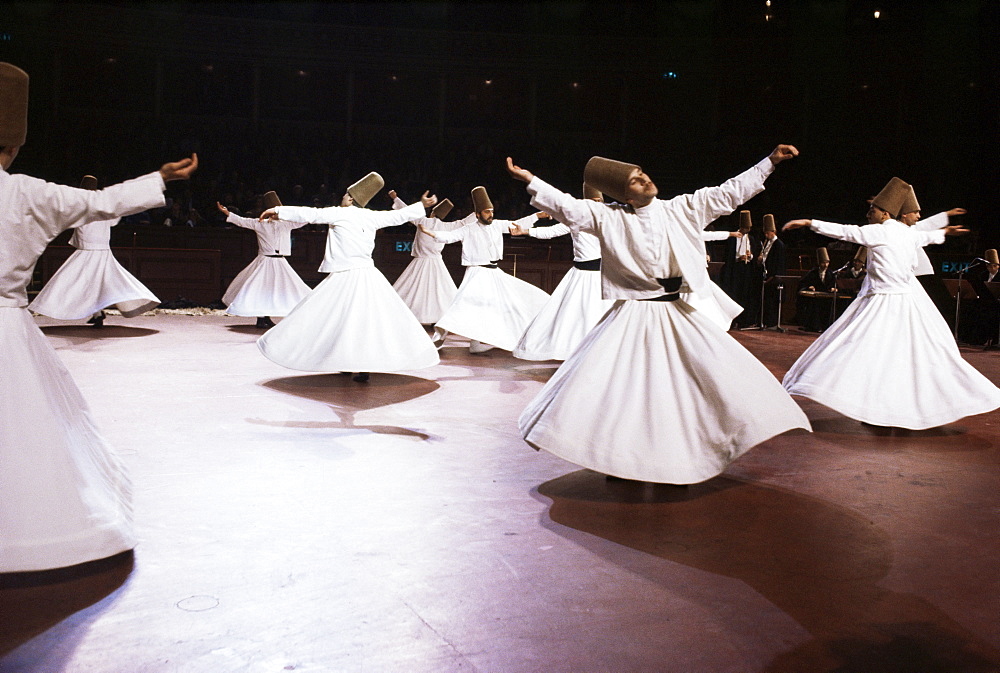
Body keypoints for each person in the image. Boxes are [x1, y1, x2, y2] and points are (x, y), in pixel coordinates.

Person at [506, 146, 811, 484]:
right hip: (633, 315)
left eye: (643, 174)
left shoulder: (682, 208)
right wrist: (531, 179)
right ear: (624, 194)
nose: (645, 180)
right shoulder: (611, 217)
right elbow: (570, 208)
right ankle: (620, 458)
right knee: (627, 388)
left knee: (691, 380)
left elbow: (729, 193)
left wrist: (769, 162)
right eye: (635, 181)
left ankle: (683, 450)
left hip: (672, 312)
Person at [0, 61, 198, 572]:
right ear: (14, 145)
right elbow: (103, 202)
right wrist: (160, 177)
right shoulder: (26, 192)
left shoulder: (27, 192)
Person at [781, 177, 1000, 429]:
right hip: (908, 305)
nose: (868, 212)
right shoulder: (907, 233)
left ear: (885, 212)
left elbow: (846, 230)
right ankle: (892, 407)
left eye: (872, 209)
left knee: (855, 348)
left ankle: (873, 403)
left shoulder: (880, 231)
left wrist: (809, 222)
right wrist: (946, 231)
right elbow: (927, 236)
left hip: (882, 304)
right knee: (907, 357)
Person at [256, 172, 440, 382]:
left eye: (345, 195)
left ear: (351, 198)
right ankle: (356, 364)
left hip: (346, 276)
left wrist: (278, 210)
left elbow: (310, 214)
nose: (342, 198)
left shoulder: (340, 213)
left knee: (335, 318)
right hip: (367, 277)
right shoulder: (372, 216)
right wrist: (421, 205)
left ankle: (349, 361)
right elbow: (399, 216)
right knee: (361, 322)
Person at [422, 186, 549, 354]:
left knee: (497, 304)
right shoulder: (468, 228)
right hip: (476, 273)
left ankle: (477, 344)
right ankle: (439, 337)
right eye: (487, 212)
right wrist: (431, 233)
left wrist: (538, 215)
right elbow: (450, 237)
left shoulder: (497, 225)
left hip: (494, 272)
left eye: (492, 211)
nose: (491, 215)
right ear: (477, 214)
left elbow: (517, 224)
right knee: (461, 305)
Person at [28, 175, 161, 326]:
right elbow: (114, 218)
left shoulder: (81, 207)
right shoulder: (101, 206)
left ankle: (93, 313)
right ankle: (97, 314)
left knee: (68, 282)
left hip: (90, 252)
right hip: (100, 252)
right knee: (97, 283)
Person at [510, 183, 614, 361]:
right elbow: (552, 231)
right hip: (581, 276)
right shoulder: (575, 220)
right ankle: (576, 353)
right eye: (593, 201)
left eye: (599, 201)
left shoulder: (608, 219)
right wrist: (526, 231)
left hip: (602, 275)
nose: (596, 204)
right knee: (574, 317)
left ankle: (600, 354)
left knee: (602, 315)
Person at [217, 191, 311, 329]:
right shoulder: (261, 223)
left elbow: (304, 220)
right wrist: (227, 213)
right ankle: (261, 319)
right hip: (265, 261)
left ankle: (267, 317)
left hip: (279, 262)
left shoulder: (287, 224)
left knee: (276, 289)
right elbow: (243, 221)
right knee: (262, 289)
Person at [388, 191, 462, 325]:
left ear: (432, 213)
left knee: (410, 288)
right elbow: (463, 223)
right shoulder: (446, 226)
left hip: (421, 262)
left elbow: (407, 211)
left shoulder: (423, 221)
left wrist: (395, 197)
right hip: (435, 263)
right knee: (441, 292)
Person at [719, 210, 759, 328]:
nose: (747, 230)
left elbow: (754, 254)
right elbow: (728, 255)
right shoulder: (733, 238)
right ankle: (732, 321)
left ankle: (743, 320)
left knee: (744, 294)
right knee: (733, 294)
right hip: (734, 269)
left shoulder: (750, 239)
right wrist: (738, 257)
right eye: (746, 228)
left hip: (746, 270)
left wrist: (750, 256)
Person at [795, 247, 838, 332]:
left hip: (826, 298)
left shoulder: (830, 273)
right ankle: (814, 326)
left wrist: (833, 289)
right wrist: (809, 287)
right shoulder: (813, 273)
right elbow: (802, 283)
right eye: (823, 263)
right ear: (819, 263)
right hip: (814, 298)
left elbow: (834, 285)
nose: (825, 265)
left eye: (827, 263)